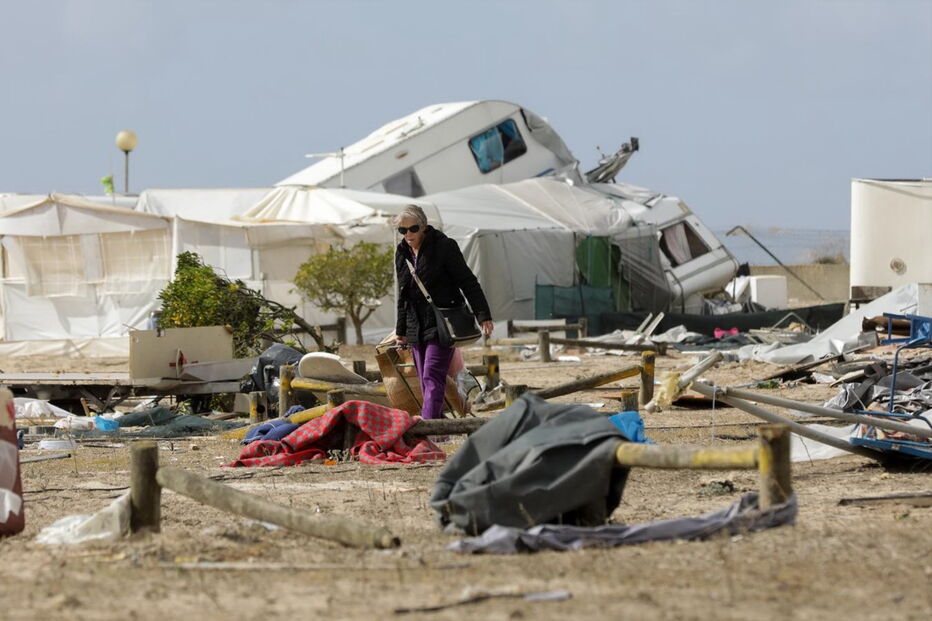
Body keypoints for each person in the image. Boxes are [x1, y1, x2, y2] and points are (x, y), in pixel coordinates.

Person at [394, 205, 493, 420]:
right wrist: (400, 330)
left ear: (423, 226)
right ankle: (440, 429)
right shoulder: (402, 253)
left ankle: (430, 432)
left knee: (431, 376)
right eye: (402, 230)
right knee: (424, 380)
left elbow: (468, 281)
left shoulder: (444, 246)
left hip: (442, 323)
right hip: (415, 324)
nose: (408, 234)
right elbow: (403, 295)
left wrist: (483, 314)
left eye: (412, 228)